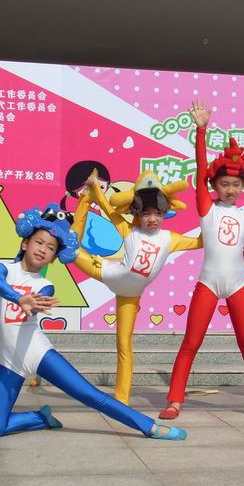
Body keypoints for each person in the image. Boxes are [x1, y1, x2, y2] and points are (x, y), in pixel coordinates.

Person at [0, 203, 186, 441]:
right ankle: (40, 417)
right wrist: (19, 299)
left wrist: (31, 304)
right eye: (39, 243)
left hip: (38, 353)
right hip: (9, 362)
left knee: (90, 395)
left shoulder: (43, 285)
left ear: (54, 258)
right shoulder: (4, 269)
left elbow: (41, 299)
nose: (43, 250)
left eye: (51, 248)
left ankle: (149, 426)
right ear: (25, 243)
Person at [159, 99, 244, 421]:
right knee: (191, 343)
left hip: (238, 285)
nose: (231, 189)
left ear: (243, 186)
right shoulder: (207, 208)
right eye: (224, 184)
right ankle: (174, 401)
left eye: (236, 184)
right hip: (208, 284)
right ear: (214, 185)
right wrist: (201, 130)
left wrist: (238, 274)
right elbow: (201, 168)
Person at [71, 170, 201, 404]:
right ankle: (84, 199)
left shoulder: (170, 239)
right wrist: (94, 189)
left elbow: (200, 242)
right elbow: (108, 209)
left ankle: (121, 399)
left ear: (165, 213)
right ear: (137, 213)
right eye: (146, 213)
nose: (152, 219)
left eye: (157, 213)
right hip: (104, 272)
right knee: (70, 248)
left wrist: (213, 220)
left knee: (124, 344)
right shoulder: (130, 230)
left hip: (129, 297)